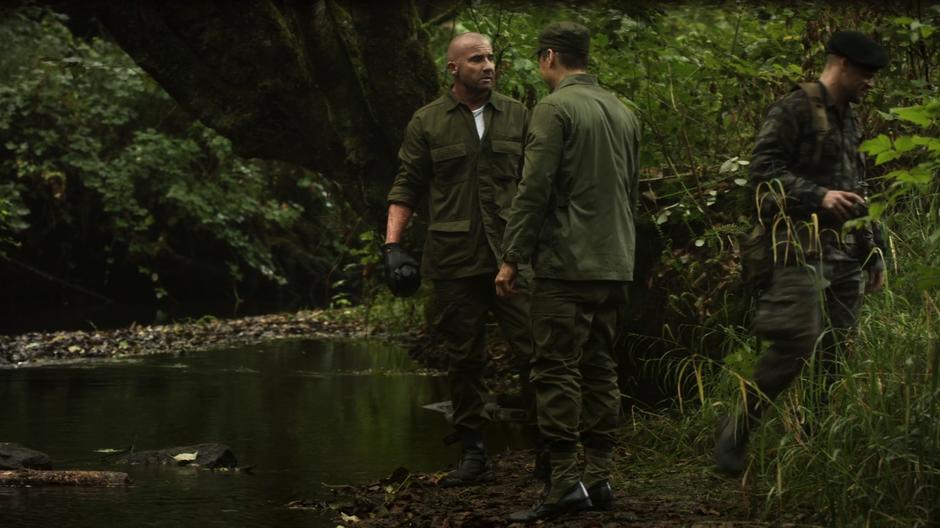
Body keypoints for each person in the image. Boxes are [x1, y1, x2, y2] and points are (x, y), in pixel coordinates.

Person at [715, 30, 889, 476]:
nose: (871, 82)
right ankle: (736, 434)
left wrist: (874, 251)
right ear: (842, 63)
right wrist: (818, 196)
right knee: (795, 343)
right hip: (798, 250)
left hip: (847, 254)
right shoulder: (793, 109)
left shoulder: (851, 120)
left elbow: (858, 188)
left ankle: (812, 448)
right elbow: (762, 176)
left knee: (836, 352)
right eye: (866, 73)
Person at [497, 21, 641, 521]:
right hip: (616, 262)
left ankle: (563, 483)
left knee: (555, 367)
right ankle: (600, 478)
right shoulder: (624, 111)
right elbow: (631, 190)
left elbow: (533, 189)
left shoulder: (553, 109)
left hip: (566, 265)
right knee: (601, 366)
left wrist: (512, 255)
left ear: (549, 57)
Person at [383, 32, 535, 488]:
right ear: (453, 68)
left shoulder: (518, 115)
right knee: (464, 359)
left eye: (491, 58)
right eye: (476, 59)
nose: (488, 66)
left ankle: (550, 451)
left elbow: (539, 183)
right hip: (453, 261)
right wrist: (393, 248)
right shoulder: (428, 121)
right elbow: (406, 185)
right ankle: (474, 454)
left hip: (512, 255)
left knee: (536, 353)